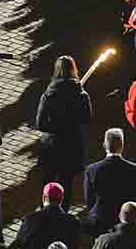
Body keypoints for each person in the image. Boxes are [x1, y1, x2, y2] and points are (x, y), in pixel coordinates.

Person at [35, 55, 93, 207]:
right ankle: (63, 213)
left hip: (51, 145)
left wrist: (55, 129)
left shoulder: (49, 94)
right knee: (66, 183)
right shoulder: (81, 94)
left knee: (47, 180)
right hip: (72, 144)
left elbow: (40, 124)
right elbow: (87, 119)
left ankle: (45, 211)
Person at [11, 182, 81, 249]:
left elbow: (20, 243)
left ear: (44, 197)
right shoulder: (73, 222)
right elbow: (74, 246)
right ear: (61, 199)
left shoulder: (31, 218)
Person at [83, 128, 136, 234]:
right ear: (122, 146)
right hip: (125, 221)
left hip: (100, 221)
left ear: (104, 145)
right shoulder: (134, 170)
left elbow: (89, 200)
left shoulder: (92, 170)